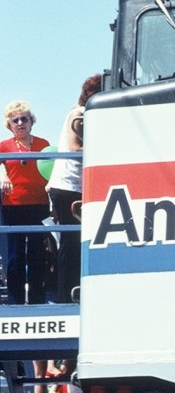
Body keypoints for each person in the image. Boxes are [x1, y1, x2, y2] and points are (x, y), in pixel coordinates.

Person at [47, 74, 102, 302]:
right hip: (68, 186)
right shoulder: (78, 114)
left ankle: (74, 289)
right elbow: (74, 147)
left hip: (77, 186)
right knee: (69, 243)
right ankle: (65, 294)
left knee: (77, 241)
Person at [0, 101, 52, 304]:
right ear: (9, 125)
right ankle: (16, 302)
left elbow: (52, 170)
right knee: (15, 257)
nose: (20, 123)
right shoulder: (4, 146)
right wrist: (2, 173)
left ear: (32, 122)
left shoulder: (43, 144)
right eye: (15, 120)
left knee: (38, 255)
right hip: (13, 207)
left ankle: (38, 301)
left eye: (24, 119)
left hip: (39, 205)